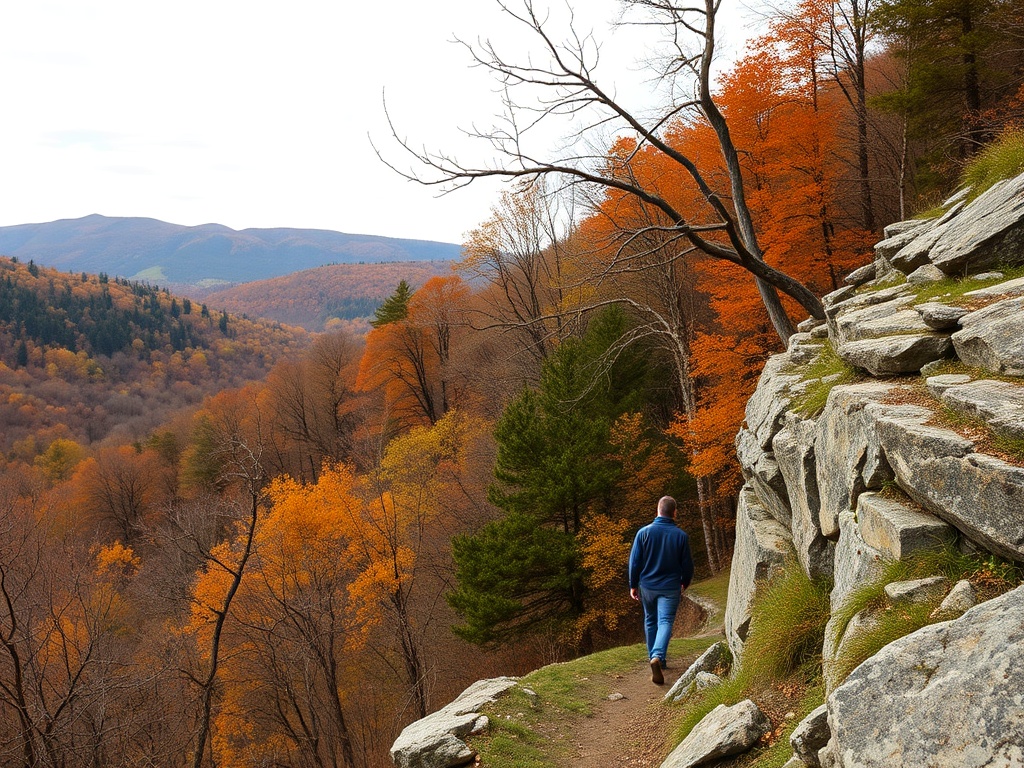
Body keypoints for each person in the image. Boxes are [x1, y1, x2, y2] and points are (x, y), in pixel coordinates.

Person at [628, 495, 694, 685]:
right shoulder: (681, 536)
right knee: (665, 621)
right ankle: (658, 656)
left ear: (658, 510)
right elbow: (687, 564)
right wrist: (685, 582)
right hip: (670, 587)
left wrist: (633, 584)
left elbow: (635, 562)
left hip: (647, 586)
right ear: (674, 512)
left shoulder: (643, 533)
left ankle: (654, 658)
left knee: (650, 620)